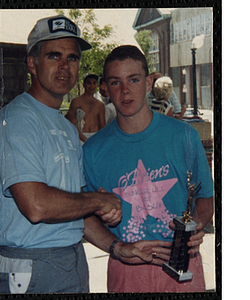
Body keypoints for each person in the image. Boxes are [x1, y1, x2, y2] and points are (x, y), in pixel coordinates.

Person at [0, 15, 124, 294]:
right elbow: (37, 206)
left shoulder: (65, 126)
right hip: (30, 266)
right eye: (54, 56)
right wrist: (98, 199)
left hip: (71, 259)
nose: (65, 66)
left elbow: (74, 210)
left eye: (72, 58)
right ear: (32, 64)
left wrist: (117, 247)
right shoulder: (17, 120)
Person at [83, 45, 214, 293]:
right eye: (115, 82)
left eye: (133, 79)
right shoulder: (92, 150)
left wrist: (196, 224)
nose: (125, 91)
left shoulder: (184, 136)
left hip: (182, 264)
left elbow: (205, 196)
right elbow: (85, 217)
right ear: (106, 88)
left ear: (147, 83)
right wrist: (114, 246)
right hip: (128, 270)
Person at [66, 73, 106, 143]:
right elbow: (71, 123)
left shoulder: (100, 105)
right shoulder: (76, 102)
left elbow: (102, 126)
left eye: (94, 83)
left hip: (95, 137)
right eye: (89, 83)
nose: (91, 86)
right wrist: (84, 139)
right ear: (84, 85)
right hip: (79, 138)